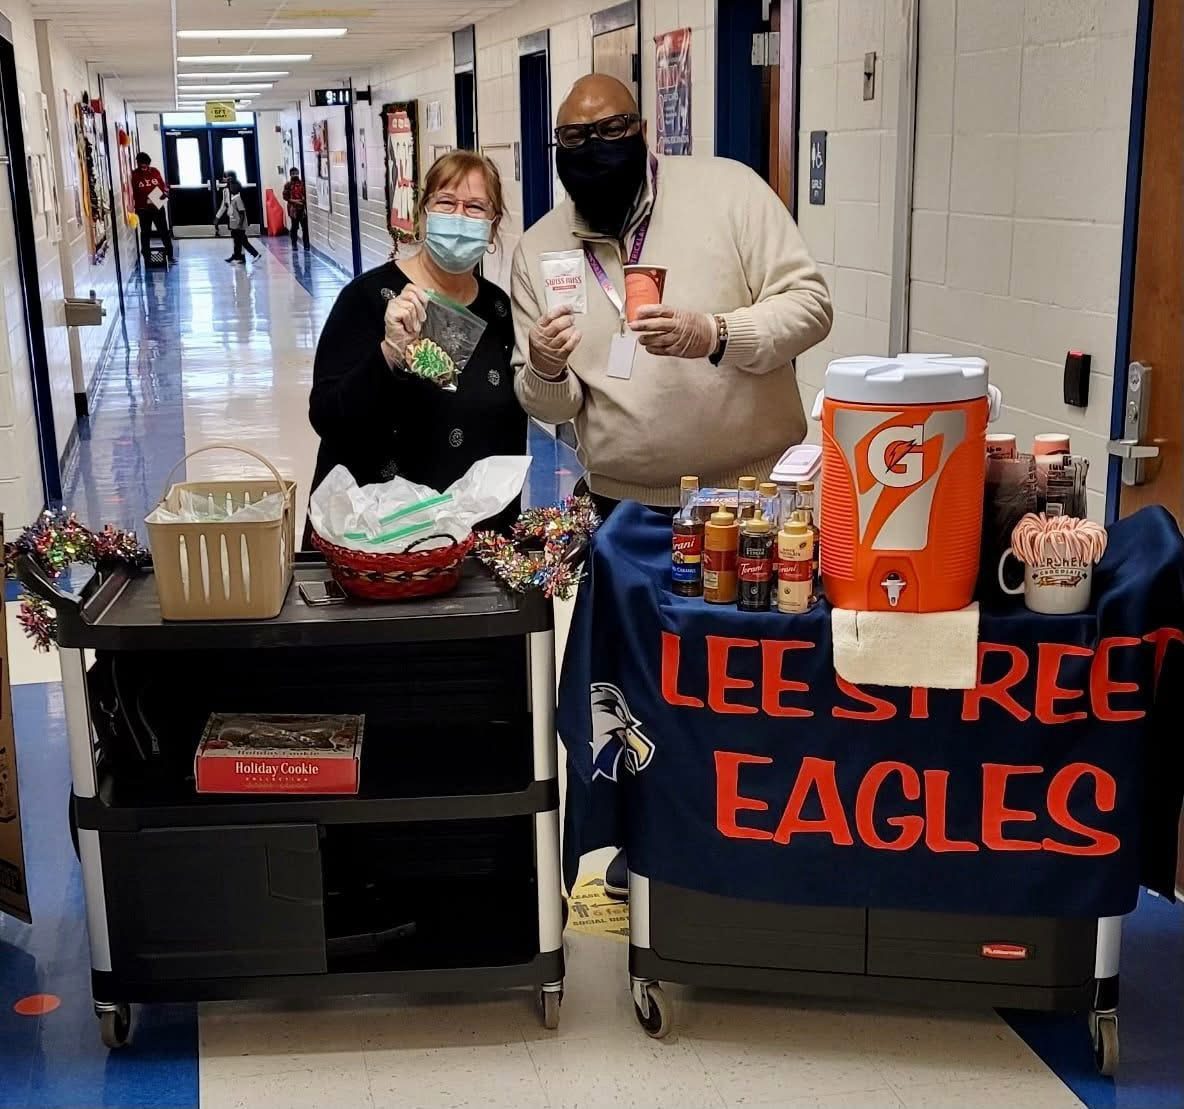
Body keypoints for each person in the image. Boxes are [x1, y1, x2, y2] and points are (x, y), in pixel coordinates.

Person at [511, 75, 833, 900]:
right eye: (574, 141)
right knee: (646, 692)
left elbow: (811, 306)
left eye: (611, 130)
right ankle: (648, 836)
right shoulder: (542, 249)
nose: (594, 150)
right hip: (628, 512)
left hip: (756, 503)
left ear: (645, 129)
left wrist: (718, 333)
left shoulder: (728, 191)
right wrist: (544, 368)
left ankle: (762, 831)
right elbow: (551, 402)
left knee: (753, 679)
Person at [306, 150, 523, 548]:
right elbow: (326, 415)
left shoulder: (498, 309)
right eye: (446, 202)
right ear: (423, 214)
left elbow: (507, 436)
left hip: (472, 544)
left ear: (493, 230)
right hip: (377, 544)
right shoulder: (369, 298)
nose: (459, 217)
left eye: (476, 207)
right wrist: (388, 353)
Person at [131, 152, 174, 264]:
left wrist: (165, 192)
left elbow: (163, 185)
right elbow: (134, 192)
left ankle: (170, 255)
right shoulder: (134, 174)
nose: (143, 167)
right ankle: (146, 257)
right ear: (138, 164)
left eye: (145, 165)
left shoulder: (155, 171)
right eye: (141, 165)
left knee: (164, 231)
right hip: (142, 209)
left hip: (157, 207)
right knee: (145, 233)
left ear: (148, 164)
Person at [221, 173, 260, 263]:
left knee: (243, 241)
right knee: (237, 241)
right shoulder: (233, 199)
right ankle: (237, 256)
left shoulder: (238, 199)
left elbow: (242, 213)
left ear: (236, 189)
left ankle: (255, 254)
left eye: (232, 187)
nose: (230, 188)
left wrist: (239, 225)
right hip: (234, 225)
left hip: (239, 226)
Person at [283, 167, 310, 250]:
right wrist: (296, 201)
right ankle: (294, 244)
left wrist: (303, 201)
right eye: (293, 173)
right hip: (293, 209)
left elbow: (306, 195)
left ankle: (306, 244)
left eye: (296, 173)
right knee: (294, 227)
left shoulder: (302, 183)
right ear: (290, 174)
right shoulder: (288, 185)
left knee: (305, 227)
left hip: (302, 208)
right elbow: (286, 197)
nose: (295, 175)